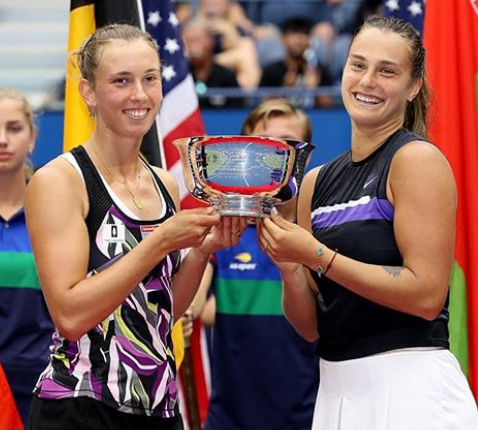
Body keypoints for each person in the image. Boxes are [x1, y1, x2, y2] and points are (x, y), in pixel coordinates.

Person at [258, 16, 478, 430]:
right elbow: (310, 327)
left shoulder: (417, 160)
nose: (367, 81)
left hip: (413, 390)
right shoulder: (314, 183)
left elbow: (427, 293)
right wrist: (290, 268)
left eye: (387, 70)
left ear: (413, 87)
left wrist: (318, 256)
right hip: (336, 390)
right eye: (358, 65)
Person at [24, 23, 247, 430]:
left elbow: (161, 314)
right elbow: (71, 316)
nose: (140, 95)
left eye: (150, 79)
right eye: (121, 81)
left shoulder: (163, 181)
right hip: (81, 405)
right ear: (88, 92)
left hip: (158, 405)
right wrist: (160, 241)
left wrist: (199, 252)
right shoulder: (60, 181)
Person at [200, 99, 319, 430]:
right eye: (263, 147)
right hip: (229, 421)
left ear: (304, 158)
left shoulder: (320, 236)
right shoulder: (222, 233)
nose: (275, 158)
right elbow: (189, 305)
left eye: (286, 147)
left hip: (307, 421)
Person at [0, 87, 54, 428]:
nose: (2, 140)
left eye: (14, 128)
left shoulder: (57, 213)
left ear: (32, 138)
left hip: (46, 386)